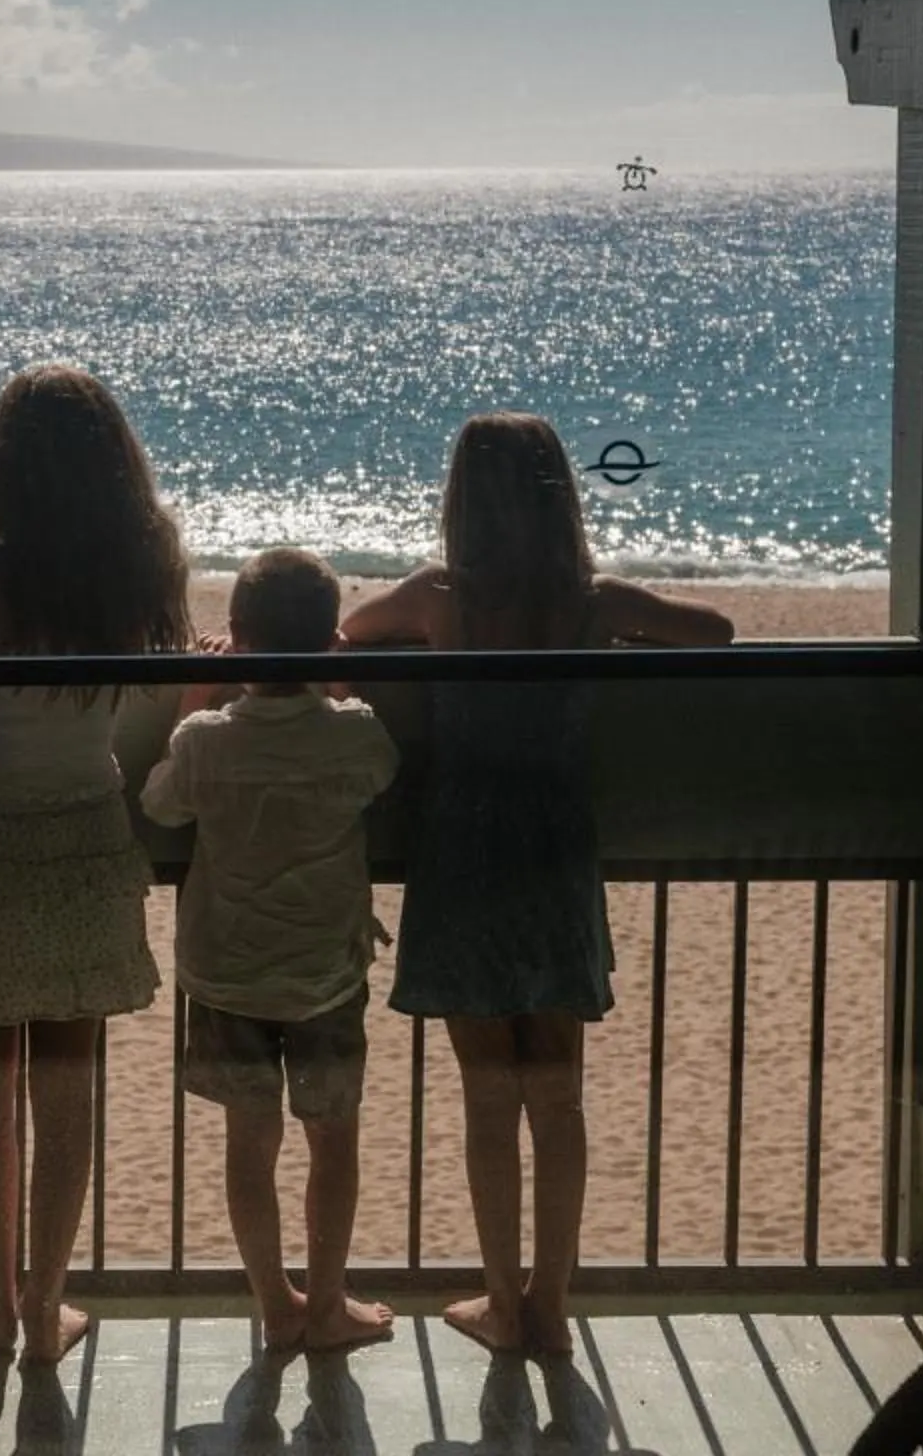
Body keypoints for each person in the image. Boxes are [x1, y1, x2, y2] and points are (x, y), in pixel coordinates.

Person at [339, 411, 734, 1357]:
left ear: (461, 501)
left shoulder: (442, 597)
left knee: (488, 1095)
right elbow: (716, 631)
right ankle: (551, 1301)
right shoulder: (592, 601)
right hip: (556, 846)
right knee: (557, 1094)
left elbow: (349, 630)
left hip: (464, 844)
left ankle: (502, 1302)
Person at [0, 363, 185, 1362]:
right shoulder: (138, 558)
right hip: (88, 829)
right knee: (68, 1081)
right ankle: (44, 1304)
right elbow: (166, 658)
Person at [142, 546, 400, 1356]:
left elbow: (161, 805)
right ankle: (326, 1304)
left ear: (238, 640)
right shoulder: (352, 735)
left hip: (225, 975)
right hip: (326, 973)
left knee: (249, 1148)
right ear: (327, 644)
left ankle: (273, 1305)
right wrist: (340, 687)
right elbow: (380, 771)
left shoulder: (208, 741)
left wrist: (194, 695)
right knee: (333, 1138)